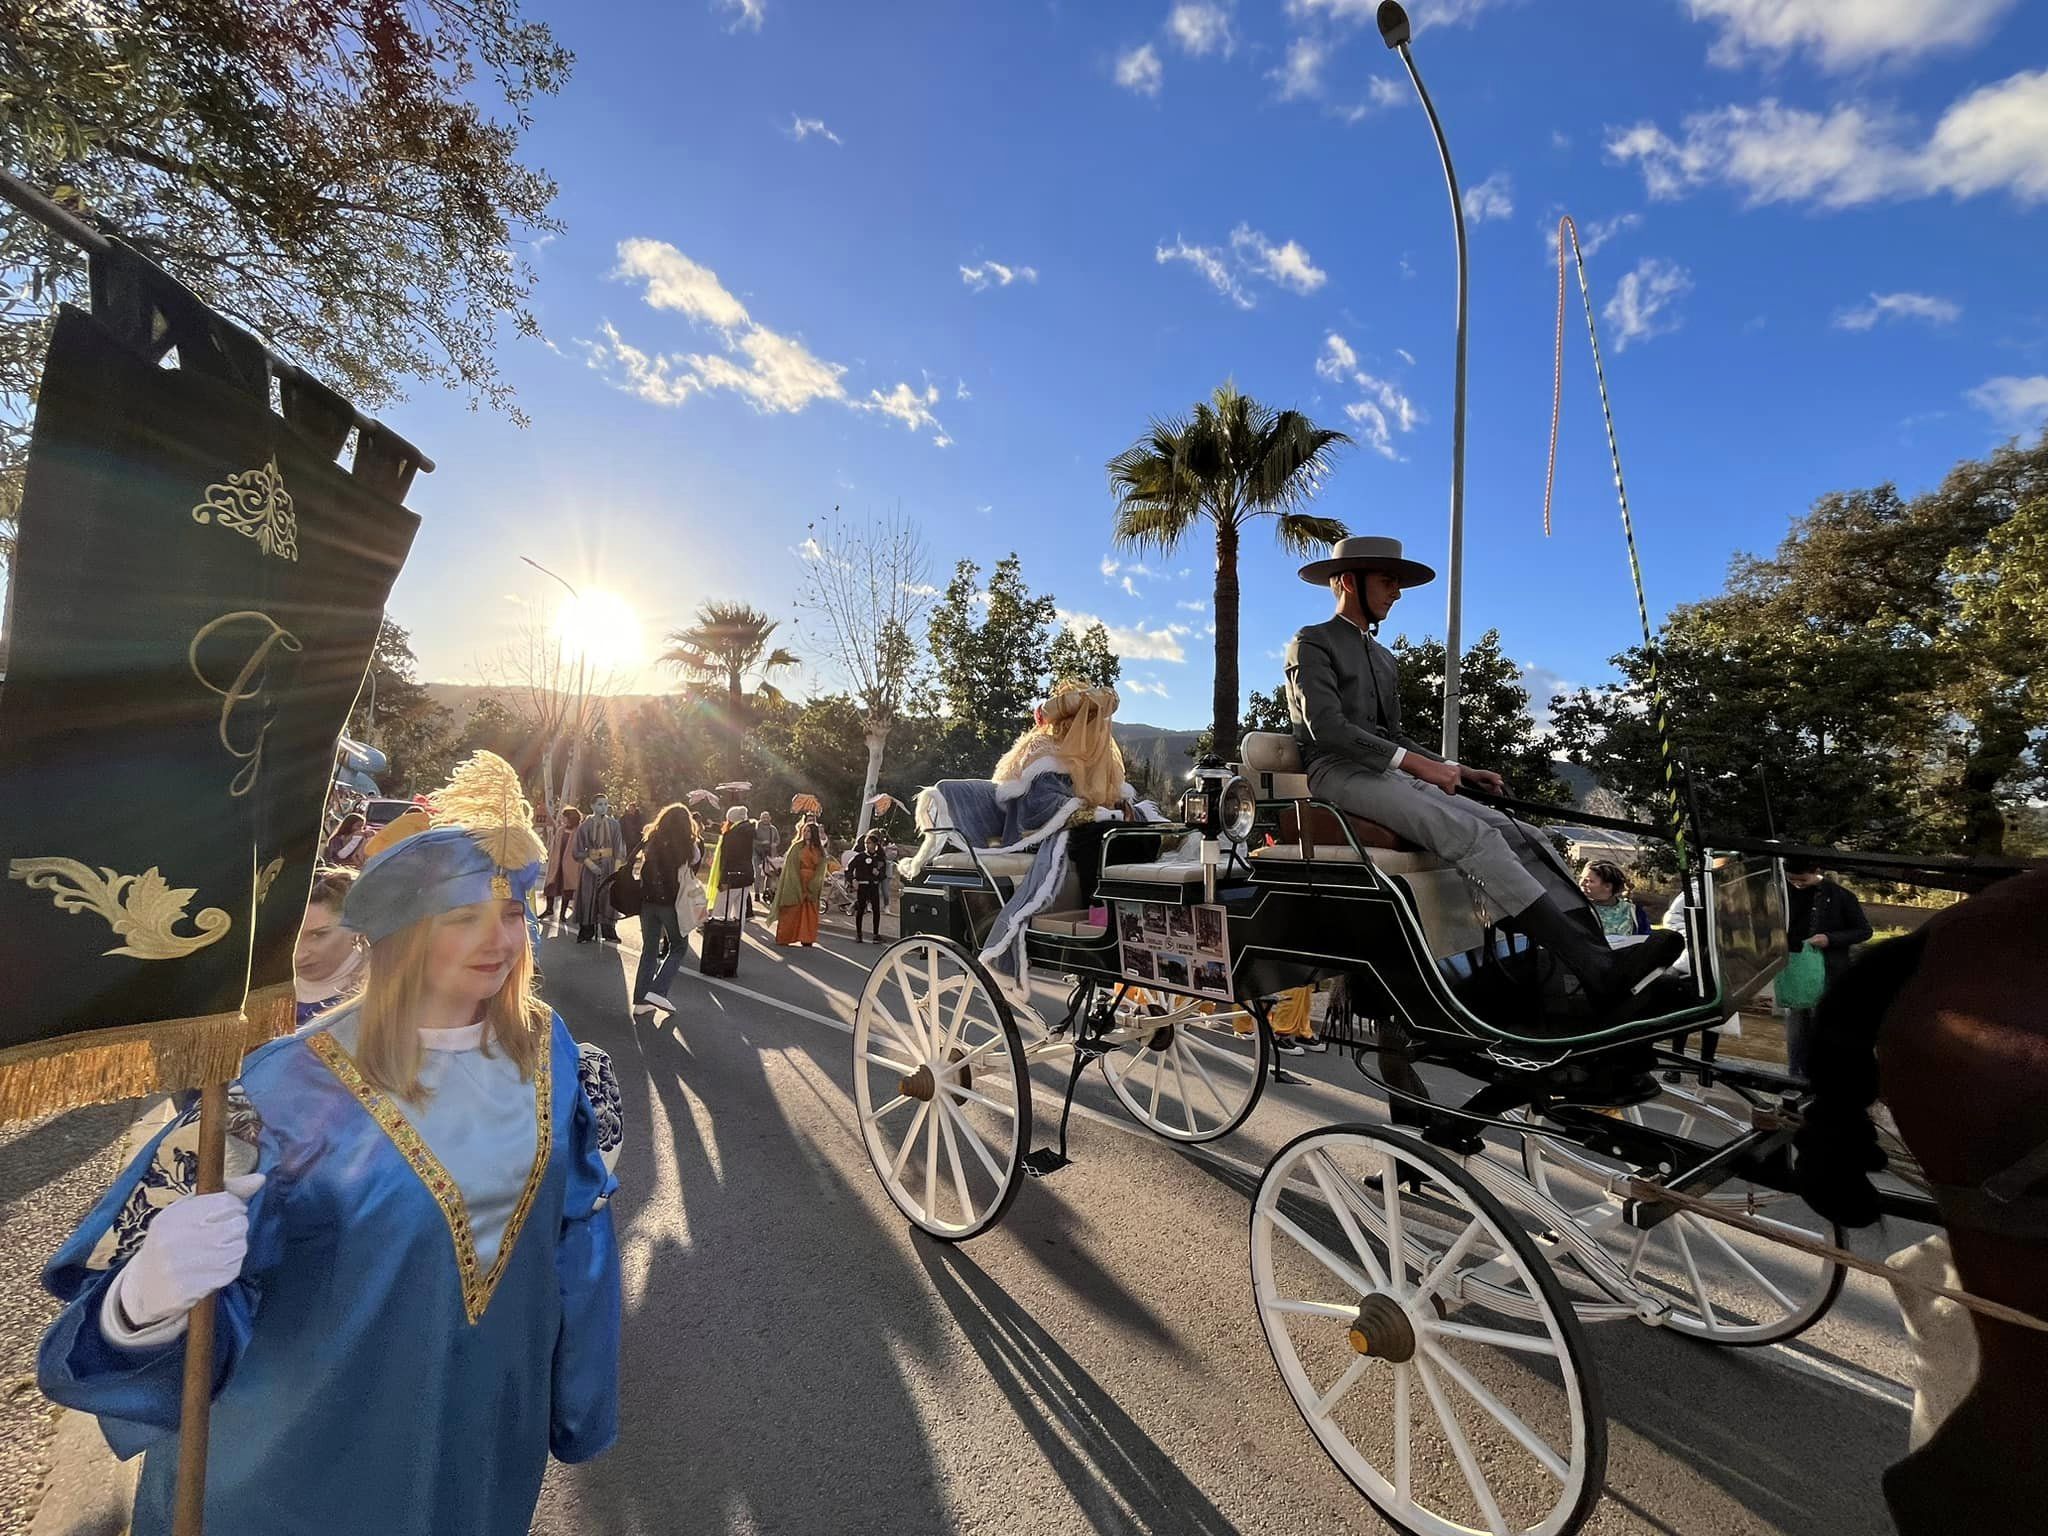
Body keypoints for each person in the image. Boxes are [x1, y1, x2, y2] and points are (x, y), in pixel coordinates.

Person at [37, 751, 622, 1536]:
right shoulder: (274, 1094)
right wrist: (144, 1301)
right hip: (302, 1475)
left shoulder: (556, 1057)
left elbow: (574, 1253)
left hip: (478, 1455)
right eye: (461, 917)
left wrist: (576, 1404)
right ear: (405, 937)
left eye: (512, 912)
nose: (498, 939)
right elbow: (102, 1320)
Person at [1284, 535, 1680, 1009]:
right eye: (1389, 580)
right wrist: (1422, 769)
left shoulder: (1384, 659)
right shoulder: (1312, 641)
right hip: (1337, 773)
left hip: (1385, 773)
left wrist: (1458, 770)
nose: (1397, 592)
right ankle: (1595, 969)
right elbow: (1327, 728)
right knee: (1473, 835)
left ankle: (1595, 954)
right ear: (1349, 581)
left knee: (1521, 833)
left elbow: (1393, 737)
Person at [1783, 856, 1872, 1078]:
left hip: (1830, 970)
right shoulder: (1783, 893)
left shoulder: (1840, 896)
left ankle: (1823, 1074)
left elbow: (1863, 931)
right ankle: (1795, 1075)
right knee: (1796, 1027)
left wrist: (1830, 938)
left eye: (1802, 879)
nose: (1798, 884)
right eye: (1792, 879)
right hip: (1796, 970)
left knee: (1824, 1025)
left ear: (1815, 871)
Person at [631, 802, 697, 1015]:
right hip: (671, 903)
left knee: (649, 949)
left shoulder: (652, 839)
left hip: (647, 902)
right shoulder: (687, 845)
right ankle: (658, 990)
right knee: (678, 946)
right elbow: (696, 859)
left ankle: (641, 1001)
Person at [293, 868, 367, 1024]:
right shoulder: (262, 993)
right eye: (292, 938)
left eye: (318, 935)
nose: (299, 954)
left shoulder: (381, 996)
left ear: (357, 925)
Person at [573, 796, 625, 944]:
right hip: (591, 866)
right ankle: (586, 930)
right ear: (592, 806)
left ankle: (609, 930)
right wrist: (591, 865)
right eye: (600, 804)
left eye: (605, 804)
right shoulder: (585, 826)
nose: (603, 807)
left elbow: (618, 848)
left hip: (609, 865)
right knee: (588, 896)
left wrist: (616, 871)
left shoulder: (614, 824)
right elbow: (578, 849)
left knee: (608, 897)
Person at [774, 821, 829, 947]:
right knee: (792, 910)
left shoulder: (819, 850)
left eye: (808, 831)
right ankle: (785, 936)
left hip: (812, 881)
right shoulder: (796, 847)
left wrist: (814, 884)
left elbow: (821, 867)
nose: (806, 833)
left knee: (809, 911)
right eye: (804, 831)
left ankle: (807, 938)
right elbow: (791, 867)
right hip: (796, 881)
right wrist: (796, 883)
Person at [702, 805, 756, 920]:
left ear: (730, 819)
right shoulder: (748, 832)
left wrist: (723, 880)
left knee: (720, 912)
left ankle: (721, 936)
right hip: (746, 875)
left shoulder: (731, 835)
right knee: (740, 912)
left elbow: (727, 859)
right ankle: (736, 936)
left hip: (731, 877)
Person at [1580, 859, 1652, 937]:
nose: (1581, 883)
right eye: (1581, 878)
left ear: (1608, 886)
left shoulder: (1634, 913)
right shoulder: (1579, 909)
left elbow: (1646, 941)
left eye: (1588, 881)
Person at [541, 805, 583, 924]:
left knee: (567, 888)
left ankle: (562, 914)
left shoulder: (579, 831)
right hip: (557, 862)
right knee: (551, 885)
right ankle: (549, 909)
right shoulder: (560, 830)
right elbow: (554, 845)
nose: (562, 819)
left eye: (565, 817)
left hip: (570, 864)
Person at [847, 830, 887, 943]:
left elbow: (884, 875)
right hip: (863, 886)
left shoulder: (880, 859)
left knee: (876, 910)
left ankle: (876, 934)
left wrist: (878, 874)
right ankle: (859, 934)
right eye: (866, 843)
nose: (867, 845)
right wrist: (852, 880)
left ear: (875, 845)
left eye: (869, 843)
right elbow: (848, 869)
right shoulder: (860, 857)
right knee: (860, 909)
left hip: (873, 886)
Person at [752, 813, 780, 916]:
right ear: (760, 818)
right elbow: (752, 840)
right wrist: (761, 843)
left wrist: (774, 844)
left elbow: (777, 840)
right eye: (763, 817)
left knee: (769, 873)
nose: (765, 819)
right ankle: (756, 893)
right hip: (757, 853)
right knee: (758, 873)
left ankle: (766, 892)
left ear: (770, 818)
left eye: (767, 817)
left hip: (769, 853)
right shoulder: (756, 827)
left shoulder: (773, 829)